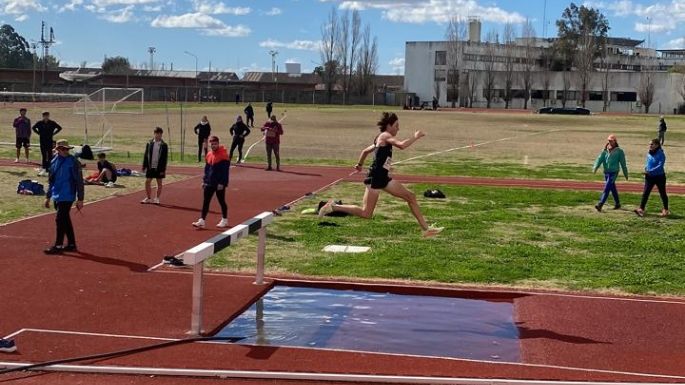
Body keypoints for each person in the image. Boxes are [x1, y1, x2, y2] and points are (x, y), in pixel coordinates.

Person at [318, 112, 444, 238]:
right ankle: (333, 207)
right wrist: (416, 137)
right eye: (396, 126)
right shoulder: (385, 135)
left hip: (382, 178)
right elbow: (401, 145)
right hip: (376, 179)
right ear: (389, 126)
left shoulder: (381, 138)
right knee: (366, 213)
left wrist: (359, 164)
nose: (398, 128)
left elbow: (365, 151)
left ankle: (426, 230)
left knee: (411, 197)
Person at [43, 139, 84, 254]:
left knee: (59, 219)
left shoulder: (73, 162)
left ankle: (58, 245)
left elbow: (79, 181)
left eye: (67, 149)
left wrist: (80, 199)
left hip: (68, 194)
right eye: (62, 149)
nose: (65, 151)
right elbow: (51, 180)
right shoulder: (54, 161)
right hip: (57, 194)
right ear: (57, 149)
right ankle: (71, 244)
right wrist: (48, 196)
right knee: (65, 220)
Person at [192, 136, 230, 228]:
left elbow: (225, 171)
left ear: (218, 143)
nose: (213, 146)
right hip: (209, 182)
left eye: (215, 144)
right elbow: (207, 169)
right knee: (206, 201)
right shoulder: (209, 154)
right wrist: (204, 181)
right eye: (212, 144)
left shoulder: (223, 155)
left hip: (219, 183)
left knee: (221, 201)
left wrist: (223, 183)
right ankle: (202, 220)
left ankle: (224, 220)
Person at [592, 134, 628, 212]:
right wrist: (595, 167)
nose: (609, 142)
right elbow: (599, 159)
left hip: (614, 172)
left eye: (611, 140)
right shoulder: (605, 151)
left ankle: (600, 204)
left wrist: (626, 174)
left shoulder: (619, 151)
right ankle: (617, 203)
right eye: (609, 140)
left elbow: (623, 163)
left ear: (615, 141)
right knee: (612, 188)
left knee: (607, 188)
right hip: (606, 172)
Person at [635, 139, 669, 218]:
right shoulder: (649, 153)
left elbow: (660, 166)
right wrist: (646, 168)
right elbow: (648, 162)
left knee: (662, 193)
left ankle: (666, 210)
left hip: (659, 177)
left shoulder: (661, 154)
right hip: (649, 177)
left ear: (657, 145)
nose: (650, 146)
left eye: (652, 144)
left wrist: (650, 171)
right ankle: (641, 209)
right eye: (650, 144)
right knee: (645, 193)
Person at [141, 127, 169, 204]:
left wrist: (163, 170)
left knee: (159, 183)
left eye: (160, 134)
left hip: (159, 167)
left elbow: (165, 158)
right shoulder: (149, 143)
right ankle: (148, 198)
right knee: (147, 182)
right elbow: (146, 155)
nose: (158, 135)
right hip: (150, 167)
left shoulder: (164, 145)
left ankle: (157, 198)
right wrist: (144, 166)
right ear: (154, 134)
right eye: (157, 134)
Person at [32, 111, 62, 176]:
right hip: (42, 140)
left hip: (49, 140)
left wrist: (54, 133)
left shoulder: (52, 123)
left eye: (47, 115)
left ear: (48, 116)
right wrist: (39, 133)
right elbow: (33, 128)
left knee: (50, 154)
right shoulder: (40, 123)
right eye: (44, 116)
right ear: (43, 116)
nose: (46, 117)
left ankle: (50, 167)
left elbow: (59, 128)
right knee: (44, 154)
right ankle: (44, 167)